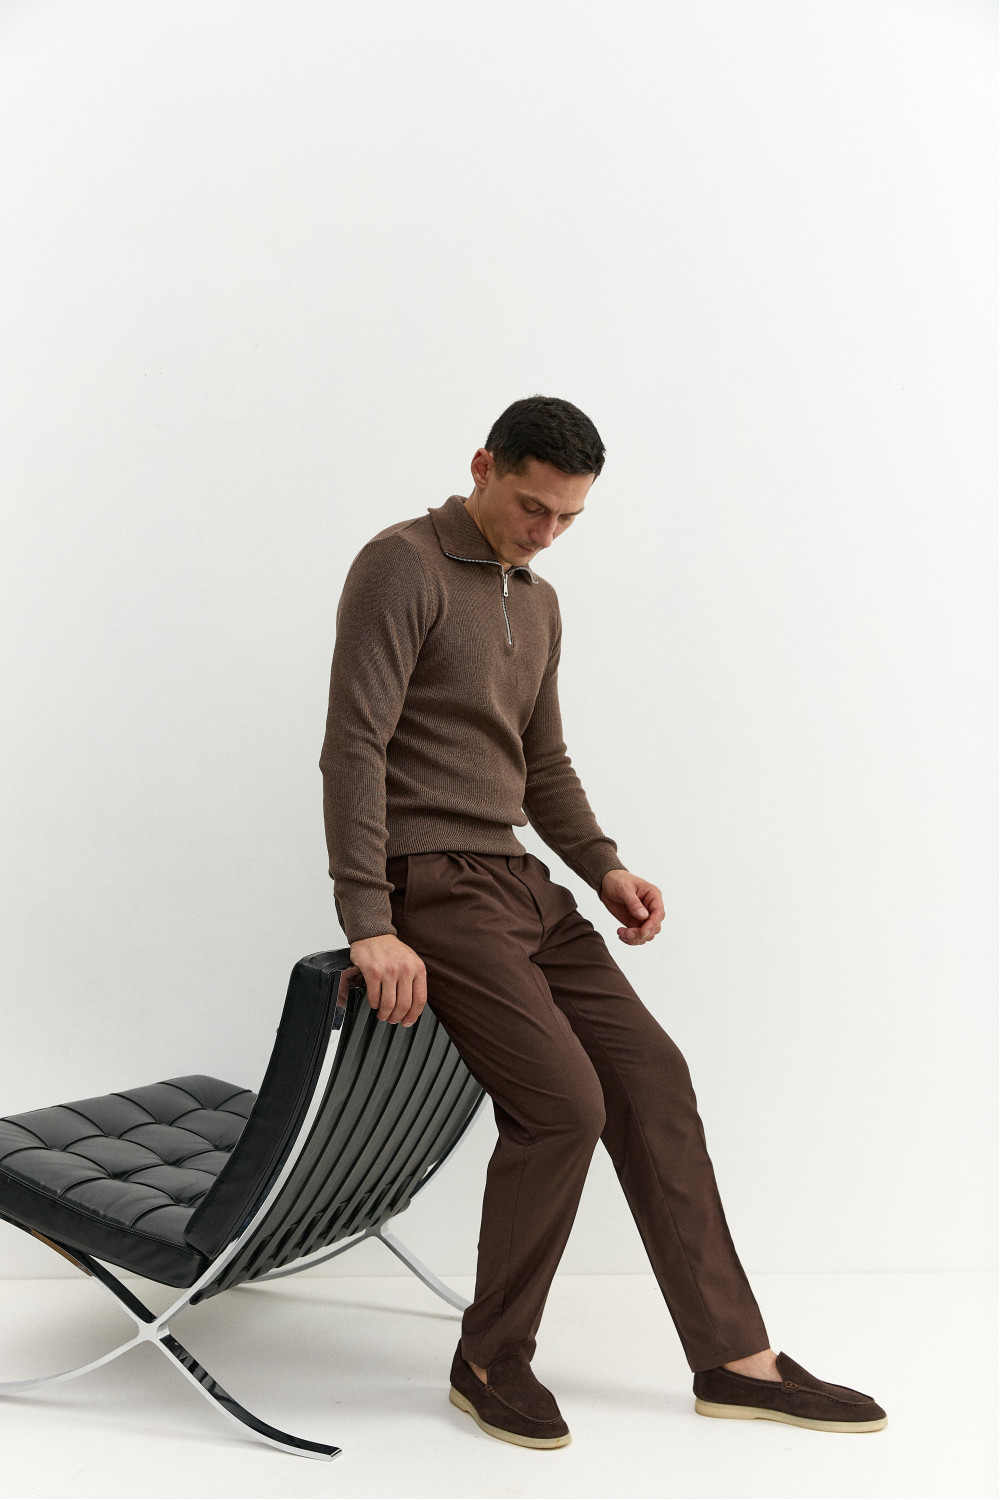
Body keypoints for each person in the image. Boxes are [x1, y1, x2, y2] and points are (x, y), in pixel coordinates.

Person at [318, 394, 887, 1448]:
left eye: (568, 518)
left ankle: (734, 1359)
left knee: (653, 1079)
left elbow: (541, 763)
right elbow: (354, 745)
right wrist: (369, 917)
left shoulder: (537, 601)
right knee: (564, 1106)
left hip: (523, 884)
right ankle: (490, 1356)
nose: (546, 533)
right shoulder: (400, 565)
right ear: (483, 466)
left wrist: (604, 865)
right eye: (532, 507)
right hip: (433, 883)